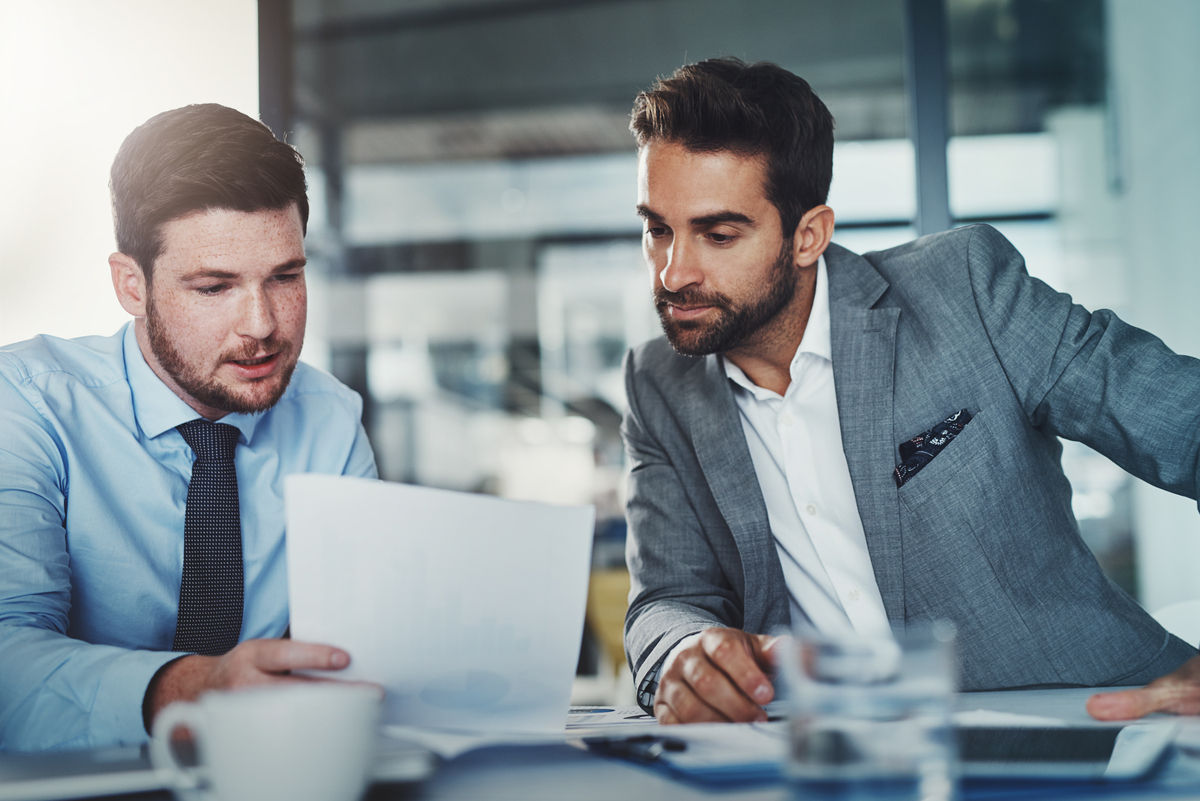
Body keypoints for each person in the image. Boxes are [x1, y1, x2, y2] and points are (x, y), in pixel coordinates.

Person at [621, 58, 1200, 726]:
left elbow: (1184, 424)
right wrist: (687, 652)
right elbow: (666, 598)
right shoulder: (657, 385)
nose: (673, 271)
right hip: (831, 761)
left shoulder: (965, 292)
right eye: (657, 228)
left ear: (808, 235)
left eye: (718, 234)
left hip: (1089, 723)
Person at [0, 104, 378, 751]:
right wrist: (197, 689)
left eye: (285, 276)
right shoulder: (28, 403)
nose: (261, 323)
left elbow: (360, 645)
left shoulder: (330, 419)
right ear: (131, 285)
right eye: (214, 287)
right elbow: (6, 662)